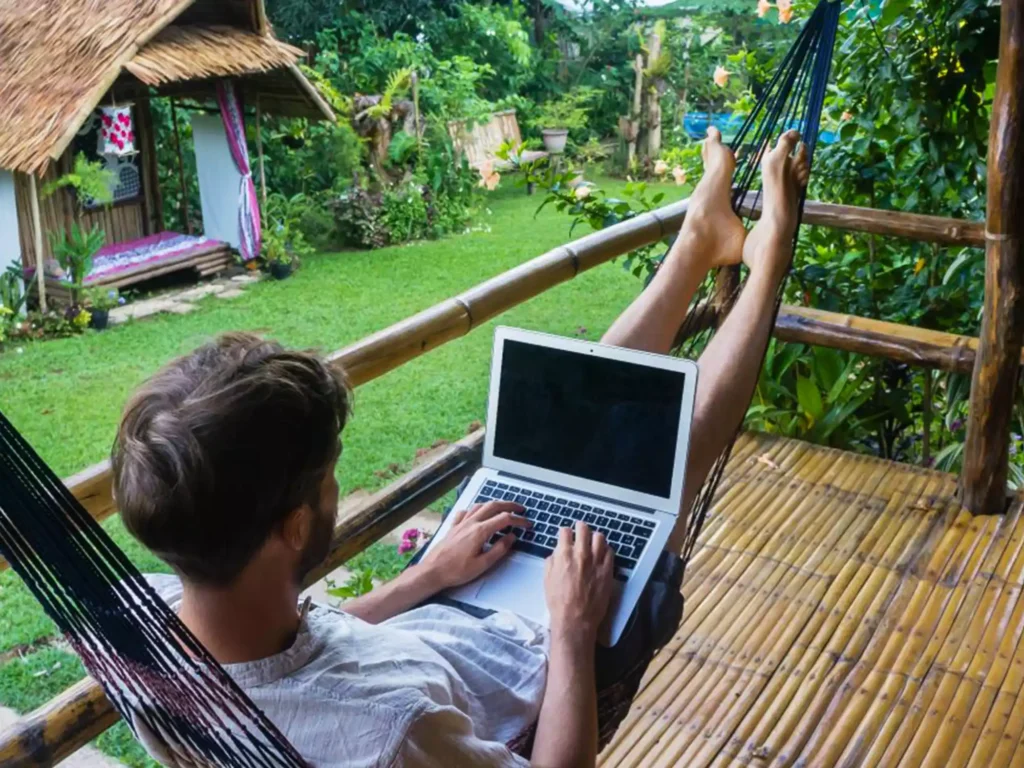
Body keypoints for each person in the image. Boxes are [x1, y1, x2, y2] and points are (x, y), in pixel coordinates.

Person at [113, 128, 809, 768]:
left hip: (441, 616)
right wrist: (570, 626)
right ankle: (769, 261)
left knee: (570, 434)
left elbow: (287, 651)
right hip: (536, 657)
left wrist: (426, 576)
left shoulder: (147, 620)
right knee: (660, 469)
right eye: (329, 474)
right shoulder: (394, 733)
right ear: (294, 526)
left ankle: (696, 239)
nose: (335, 480)